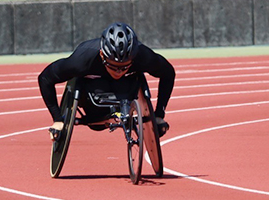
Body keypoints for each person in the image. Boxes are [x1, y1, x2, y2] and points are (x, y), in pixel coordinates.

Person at [38, 22, 175, 139]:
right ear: (102, 54)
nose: (118, 72)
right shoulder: (81, 60)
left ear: (133, 58)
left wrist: (158, 115)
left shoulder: (144, 57)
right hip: (92, 99)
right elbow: (45, 78)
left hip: (126, 91)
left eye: (124, 66)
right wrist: (57, 119)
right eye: (113, 66)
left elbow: (168, 74)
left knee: (130, 81)